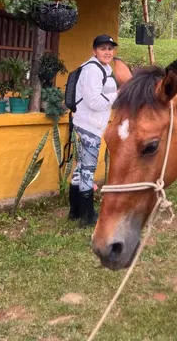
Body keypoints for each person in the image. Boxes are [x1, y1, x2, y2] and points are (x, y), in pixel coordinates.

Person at [68, 34, 118, 227]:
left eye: (110, 48)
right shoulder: (92, 70)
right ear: (94, 51)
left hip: (88, 124)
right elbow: (94, 101)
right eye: (103, 48)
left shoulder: (103, 68)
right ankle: (87, 216)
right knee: (88, 170)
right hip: (89, 126)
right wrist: (117, 95)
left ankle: (75, 210)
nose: (107, 52)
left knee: (81, 168)